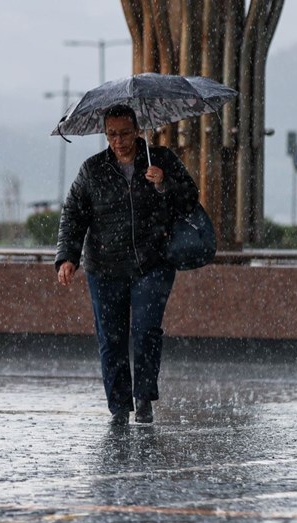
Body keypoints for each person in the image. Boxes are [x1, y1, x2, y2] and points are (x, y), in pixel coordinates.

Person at [55, 104, 199, 427]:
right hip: (105, 265)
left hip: (153, 262)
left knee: (146, 330)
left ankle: (144, 397)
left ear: (137, 129)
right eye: (111, 134)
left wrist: (164, 184)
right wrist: (67, 257)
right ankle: (119, 406)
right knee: (112, 337)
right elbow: (74, 214)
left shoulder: (160, 161)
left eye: (123, 133)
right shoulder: (92, 170)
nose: (118, 141)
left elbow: (190, 198)